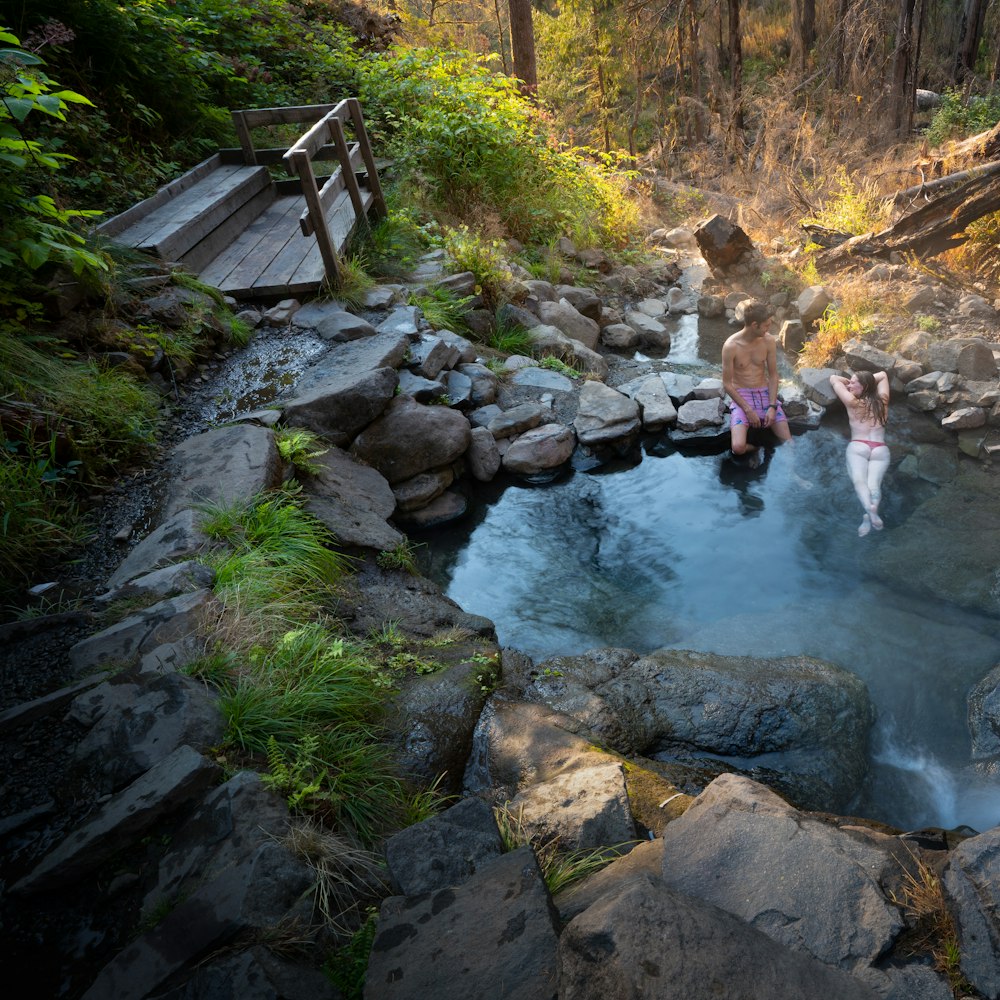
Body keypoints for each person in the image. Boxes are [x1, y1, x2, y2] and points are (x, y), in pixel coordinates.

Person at [721, 300, 792, 458]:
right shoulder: (731, 346)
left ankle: (795, 477)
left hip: (765, 394)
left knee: (789, 443)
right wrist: (747, 409)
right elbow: (727, 384)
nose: (769, 329)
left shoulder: (768, 341)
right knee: (738, 447)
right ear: (754, 325)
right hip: (742, 396)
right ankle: (755, 449)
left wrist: (772, 406)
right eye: (766, 325)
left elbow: (773, 375)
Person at [829, 369, 890, 537]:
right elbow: (883, 375)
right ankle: (872, 510)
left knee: (859, 481)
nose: (849, 385)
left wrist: (848, 382)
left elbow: (834, 379)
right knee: (874, 485)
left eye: (854, 383)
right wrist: (865, 380)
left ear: (864, 386)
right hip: (880, 449)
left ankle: (870, 513)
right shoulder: (883, 401)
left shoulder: (852, 402)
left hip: (858, 446)